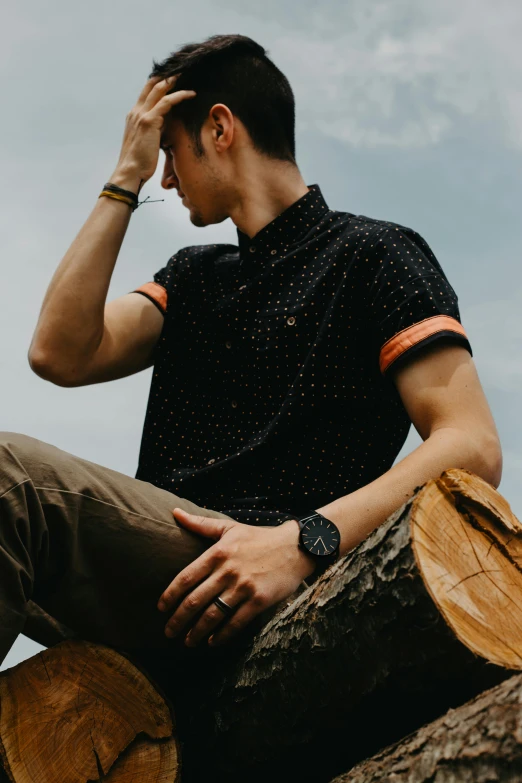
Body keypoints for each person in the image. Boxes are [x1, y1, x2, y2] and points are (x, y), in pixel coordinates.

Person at [2, 34, 500, 666]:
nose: (166, 176)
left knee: (5, 481)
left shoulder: (374, 255)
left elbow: (472, 445)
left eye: (167, 151)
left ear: (219, 128)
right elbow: (59, 352)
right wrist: (121, 177)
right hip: (171, 572)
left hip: (282, 569)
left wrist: (302, 541)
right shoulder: (191, 275)